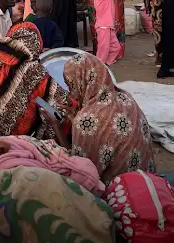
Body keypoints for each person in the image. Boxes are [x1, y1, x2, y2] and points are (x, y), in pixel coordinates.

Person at [42, 52, 156, 184]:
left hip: (120, 188)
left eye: (72, 86)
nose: (71, 94)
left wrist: (56, 126)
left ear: (82, 82)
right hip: (148, 179)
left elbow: (80, 171)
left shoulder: (87, 120)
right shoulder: (125, 97)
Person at [0, 22, 70, 139]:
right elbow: (58, 99)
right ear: (35, 43)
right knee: (50, 111)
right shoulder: (32, 69)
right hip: (15, 141)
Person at [90, 0, 146, 65]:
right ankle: (99, 66)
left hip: (108, 26)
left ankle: (105, 64)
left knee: (116, 47)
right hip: (104, 27)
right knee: (103, 50)